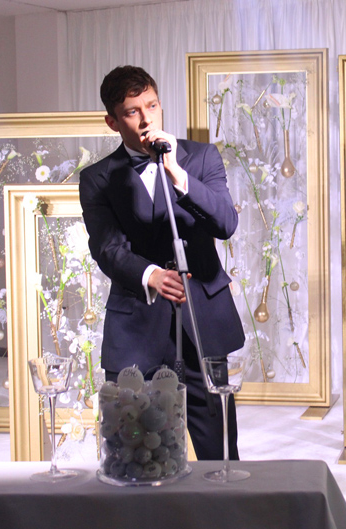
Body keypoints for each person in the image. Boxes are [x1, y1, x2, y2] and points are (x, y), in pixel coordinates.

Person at [79, 66, 245, 460]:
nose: (146, 118)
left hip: (201, 321)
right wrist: (150, 274)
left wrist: (177, 175)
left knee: (220, 453)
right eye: (132, 111)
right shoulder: (98, 178)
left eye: (152, 105)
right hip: (136, 326)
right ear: (112, 122)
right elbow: (107, 248)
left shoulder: (201, 158)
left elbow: (226, 223)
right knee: (134, 452)